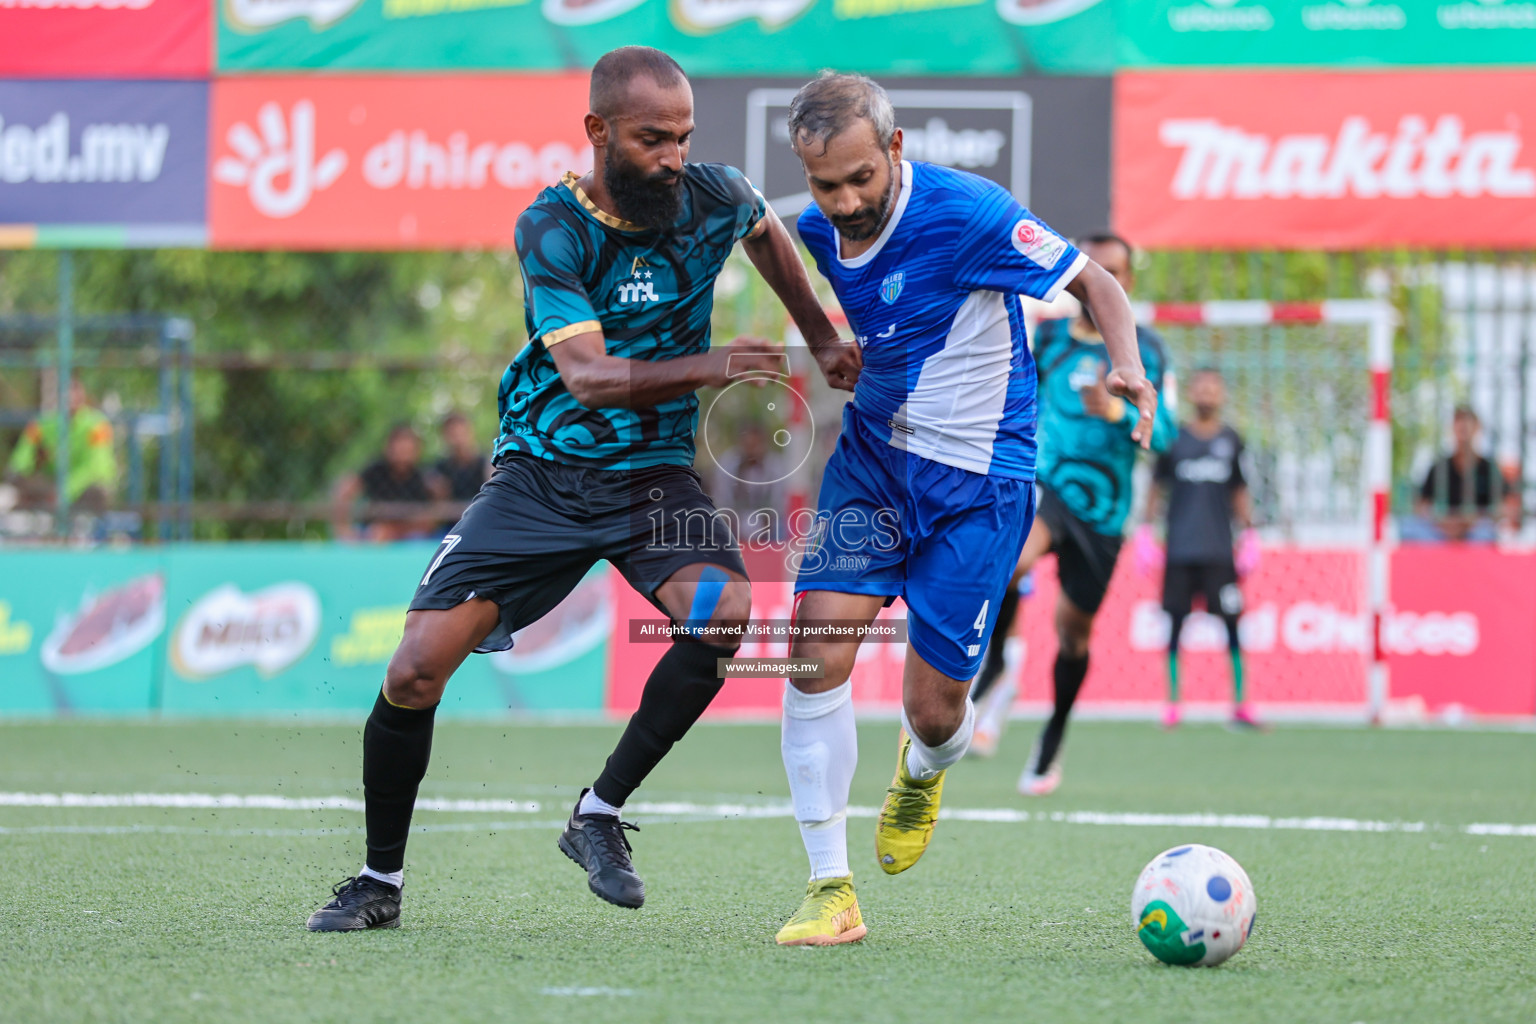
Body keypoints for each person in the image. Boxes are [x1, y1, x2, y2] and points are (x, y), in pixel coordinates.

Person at [304, 46, 857, 932]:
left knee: (723, 614)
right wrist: (717, 365)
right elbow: (590, 377)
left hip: (652, 482)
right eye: (651, 140)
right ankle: (379, 883)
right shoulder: (553, 228)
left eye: (683, 137)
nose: (674, 157)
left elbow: (765, 229)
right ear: (598, 132)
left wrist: (823, 336)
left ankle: (598, 812)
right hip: (542, 479)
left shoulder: (713, 194)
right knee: (413, 672)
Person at [770, 74, 1159, 946]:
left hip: (980, 487)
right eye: (826, 185)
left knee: (937, 713)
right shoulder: (817, 228)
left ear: (895, 149)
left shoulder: (971, 213)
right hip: (872, 468)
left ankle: (925, 767)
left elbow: (1095, 280)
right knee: (812, 656)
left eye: (860, 179)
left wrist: (1128, 364)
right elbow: (779, 245)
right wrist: (823, 338)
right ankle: (829, 888)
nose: (844, 202)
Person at [996, 231, 1176, 797]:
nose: (1106, 282)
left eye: (1118, 272)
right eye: (1097, 270)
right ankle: (997, 666)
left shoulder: (1145, 349)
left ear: (1130, 281)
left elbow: (1165, 434)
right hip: (1046, 484)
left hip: (1104, 511)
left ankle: (1053, 735)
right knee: (1006, 563)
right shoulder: (1048, 339)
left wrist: (1118, 413)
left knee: (1073, 636)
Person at [1145, 367, 1260, 730]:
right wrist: (1146, 532)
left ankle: (1240, 705)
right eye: (1202, 387)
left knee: (1232, 626)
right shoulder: (1173, 439)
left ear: (1222, 394)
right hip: (1179, 551)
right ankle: (1173, 704)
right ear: (1192, 394)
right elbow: (1155, 487)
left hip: (1220, 553)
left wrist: (1250, 533)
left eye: (1214, 387)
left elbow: (1239, 490)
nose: (1207, 394)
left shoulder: (1232, 440)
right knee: (1175, 626)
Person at [5, 377, 116, 515]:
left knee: (96, 491)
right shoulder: (45, 424)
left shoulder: (97, 426)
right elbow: (23, 454)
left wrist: (64, 492)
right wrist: (16, 472)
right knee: (17, 492)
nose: (71, 400)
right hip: (53, 486)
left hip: (85, 489)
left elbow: (95, 468)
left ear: (83, 397)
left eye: (75, 393)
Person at [1402, 405, 1502, 543]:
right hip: (1440, 532)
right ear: (1452, 428)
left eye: (1467, 422)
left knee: (1485, 532)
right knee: (1408, 527)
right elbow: (1421, 504)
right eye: (1459, 422)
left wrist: (1472, 520)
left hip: (1474, 532)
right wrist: (1441, 522)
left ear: (1477, 428)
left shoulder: (1488, 468)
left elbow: (1505, 506)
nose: (1463, 427)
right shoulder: (1439, 467)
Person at [331, 423, 439, 542]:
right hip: (374, 531)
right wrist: (344, 531)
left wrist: (394, 530)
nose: (403, 451)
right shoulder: (375, 471)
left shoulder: (423, 477)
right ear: (389, 447)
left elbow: (429, 521)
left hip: (409, 534)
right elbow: (346, 489)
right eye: (399, 445)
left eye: (408, 447)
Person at [430, 411, 490, 530]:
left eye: (461, 432)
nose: (457, 438)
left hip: (481, 522)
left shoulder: (486, 464)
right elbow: (439, 508)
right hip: (450, 526)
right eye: (452, 433)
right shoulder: (441, 468)